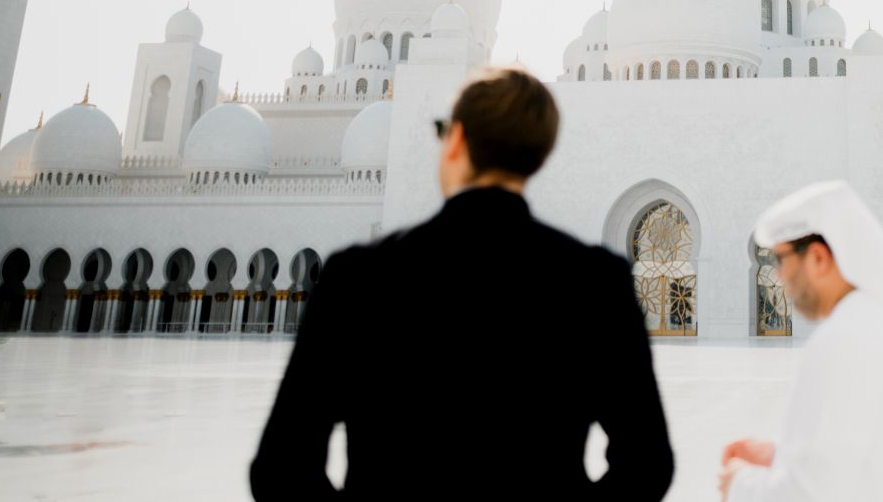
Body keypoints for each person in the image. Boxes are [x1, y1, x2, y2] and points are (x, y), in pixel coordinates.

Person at [250, 67, 675, 500]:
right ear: (539, 156)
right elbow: (647, 463)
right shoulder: (594, 283)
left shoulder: (359, 278)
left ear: (455, 141)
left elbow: (282, 466)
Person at [719, 181, 883, 501]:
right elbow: (866, 454)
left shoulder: (843, 339)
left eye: (781, 259)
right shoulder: (882, 323)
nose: (778, 276)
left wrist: (738, 484)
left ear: (817, 258)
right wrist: (779, 455)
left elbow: (811, 493)